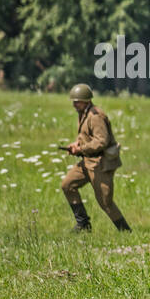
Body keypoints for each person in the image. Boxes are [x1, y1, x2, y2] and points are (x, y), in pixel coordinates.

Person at [60, 83, 130, 232]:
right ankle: (83, 224)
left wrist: (81, 149)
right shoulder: (83, 113)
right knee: (67, 185)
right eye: (73, 101)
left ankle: (125, 231)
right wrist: (76, 144)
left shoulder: (96, 116)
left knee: (105, 202)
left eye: (77, 101)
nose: (74, 104)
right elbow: (85, 136)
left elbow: (101, 141)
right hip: (87, 161)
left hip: (100, 163)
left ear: (86, 100)